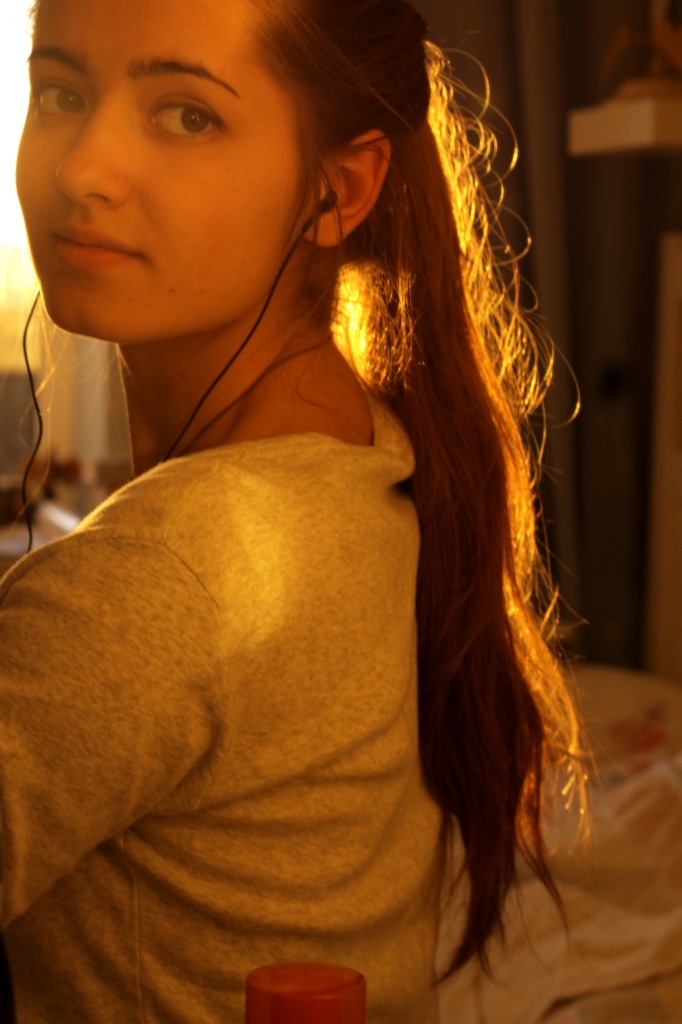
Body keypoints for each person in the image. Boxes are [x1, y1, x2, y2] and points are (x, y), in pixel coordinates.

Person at [0, 0, 584, 1021]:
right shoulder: (362, 447)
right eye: (59, 93)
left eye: (187, 115)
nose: (84, 167)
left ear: (337, 190)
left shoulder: (162, 578)